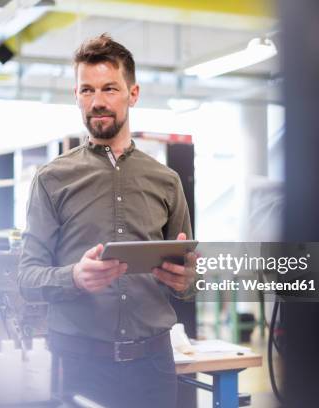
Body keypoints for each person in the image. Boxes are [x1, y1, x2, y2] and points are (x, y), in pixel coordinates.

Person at [18, 33, 196, 408]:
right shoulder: (51, 179)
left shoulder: (166, 181)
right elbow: (28, 278)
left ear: (133, 94)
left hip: (154, 366)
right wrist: (74, 278)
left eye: (109, 88)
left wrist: (187, 280)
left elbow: (188, 278)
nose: (97, 102)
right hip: (77, 364)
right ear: (76, 95)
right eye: (86, 90)